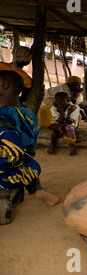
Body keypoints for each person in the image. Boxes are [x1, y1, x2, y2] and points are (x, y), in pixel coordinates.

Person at [0, 68, 59, 206]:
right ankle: (36, 188)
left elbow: (11, 149)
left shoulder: (3, 116)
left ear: (4, 85)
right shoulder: (27, 115)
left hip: (5, 174)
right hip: (26, 167)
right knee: (26, 164)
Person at [47, 92, 81, 156]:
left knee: (68, 127)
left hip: (71, 123)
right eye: (57, 100)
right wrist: (61, 110)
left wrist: (57, 125)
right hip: (61, 122)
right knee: (55, 130)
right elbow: (59, 121)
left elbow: (71, 121)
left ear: (68, 100)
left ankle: (71, 147)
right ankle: (52, 145)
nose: (60, 102)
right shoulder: (54, 109)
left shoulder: (75, 108)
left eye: (63, 100)